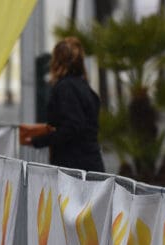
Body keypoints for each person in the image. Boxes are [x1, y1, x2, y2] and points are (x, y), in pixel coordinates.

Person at [22, 37, 105, 173]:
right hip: (91, 164)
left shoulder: (65, 88)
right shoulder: (85, 87)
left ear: (57, 61)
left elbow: (71, 128)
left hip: (74, 168)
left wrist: (37, 140)